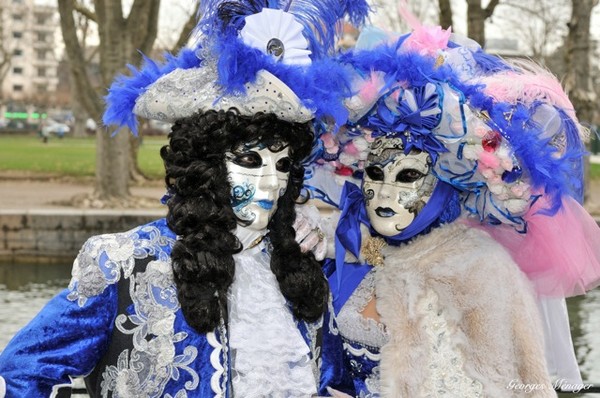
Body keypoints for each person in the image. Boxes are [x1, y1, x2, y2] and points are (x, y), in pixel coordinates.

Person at [0, 1, 369, 396]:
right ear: (206, 164)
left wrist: (355, 249)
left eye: (281, 166)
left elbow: (341, 382)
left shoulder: (298, 268)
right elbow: (22, 372)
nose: (270, 183)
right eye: (248, 160)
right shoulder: (125, 264)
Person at [309, 21, 600, 397]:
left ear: (448, 184)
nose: (383, 194)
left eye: (408, 176)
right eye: (375, 174)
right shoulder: (353, 246)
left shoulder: (482, 269)